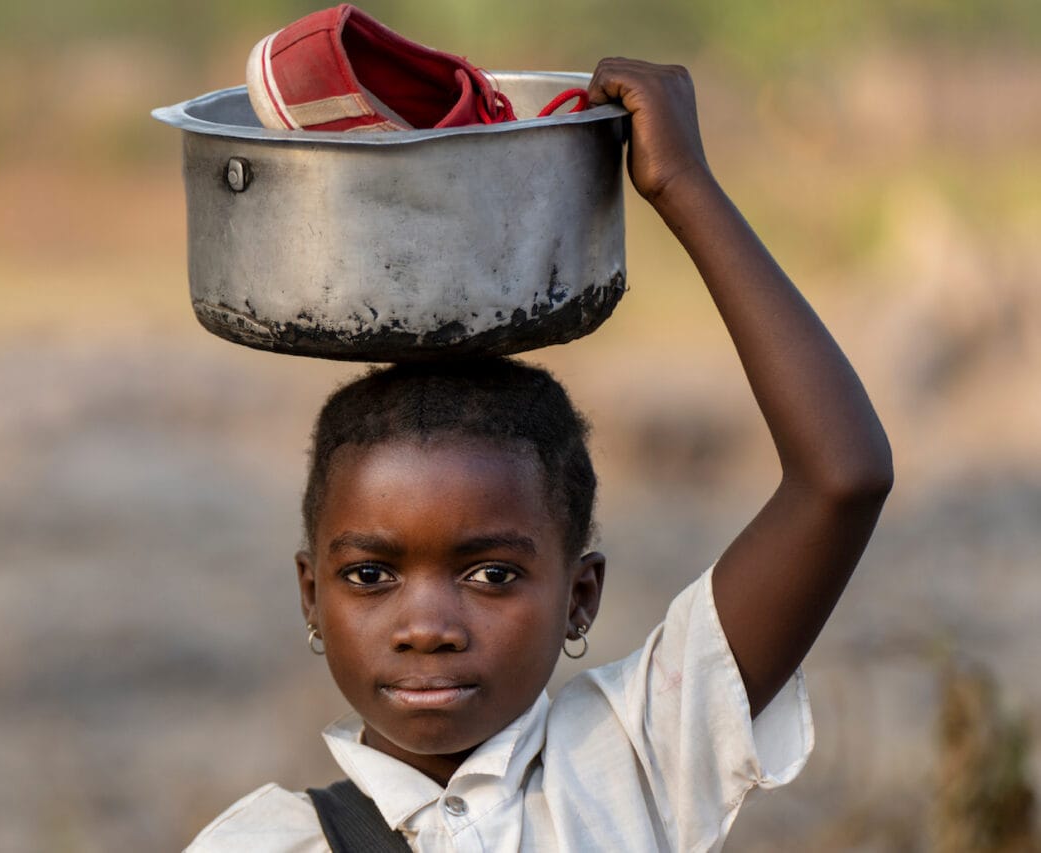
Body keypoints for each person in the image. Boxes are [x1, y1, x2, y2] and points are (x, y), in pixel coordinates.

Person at [186, 57, 894, 852]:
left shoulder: (637, 756)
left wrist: (683, 184)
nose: (427, 627)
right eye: (370, 576)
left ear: (581, 594)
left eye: (491, 573)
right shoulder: (264, 842)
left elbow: (843, 478)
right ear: (312, 595)